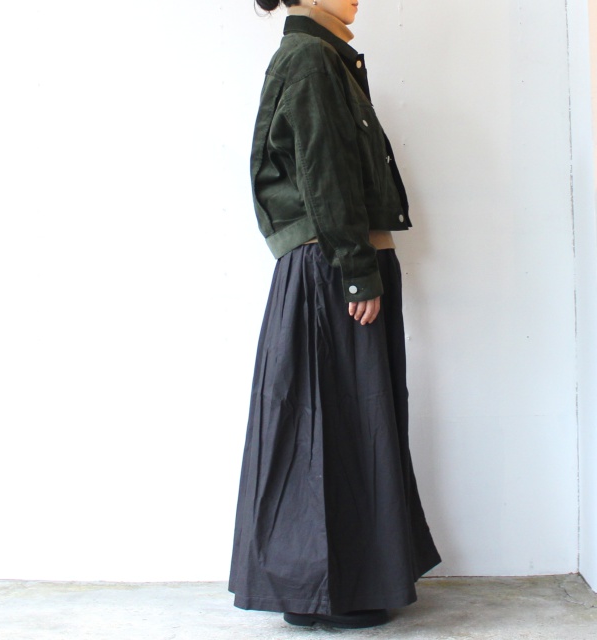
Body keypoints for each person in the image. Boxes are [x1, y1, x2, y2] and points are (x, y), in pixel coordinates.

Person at [228, 0, 442, 629]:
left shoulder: (321, 58)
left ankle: (328, 589)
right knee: (339, 424)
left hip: (333, 266)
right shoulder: (311, 59)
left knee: (339, 424)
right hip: (332, 269)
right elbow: (324, 171)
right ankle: (331, 592)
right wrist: (355, 272)